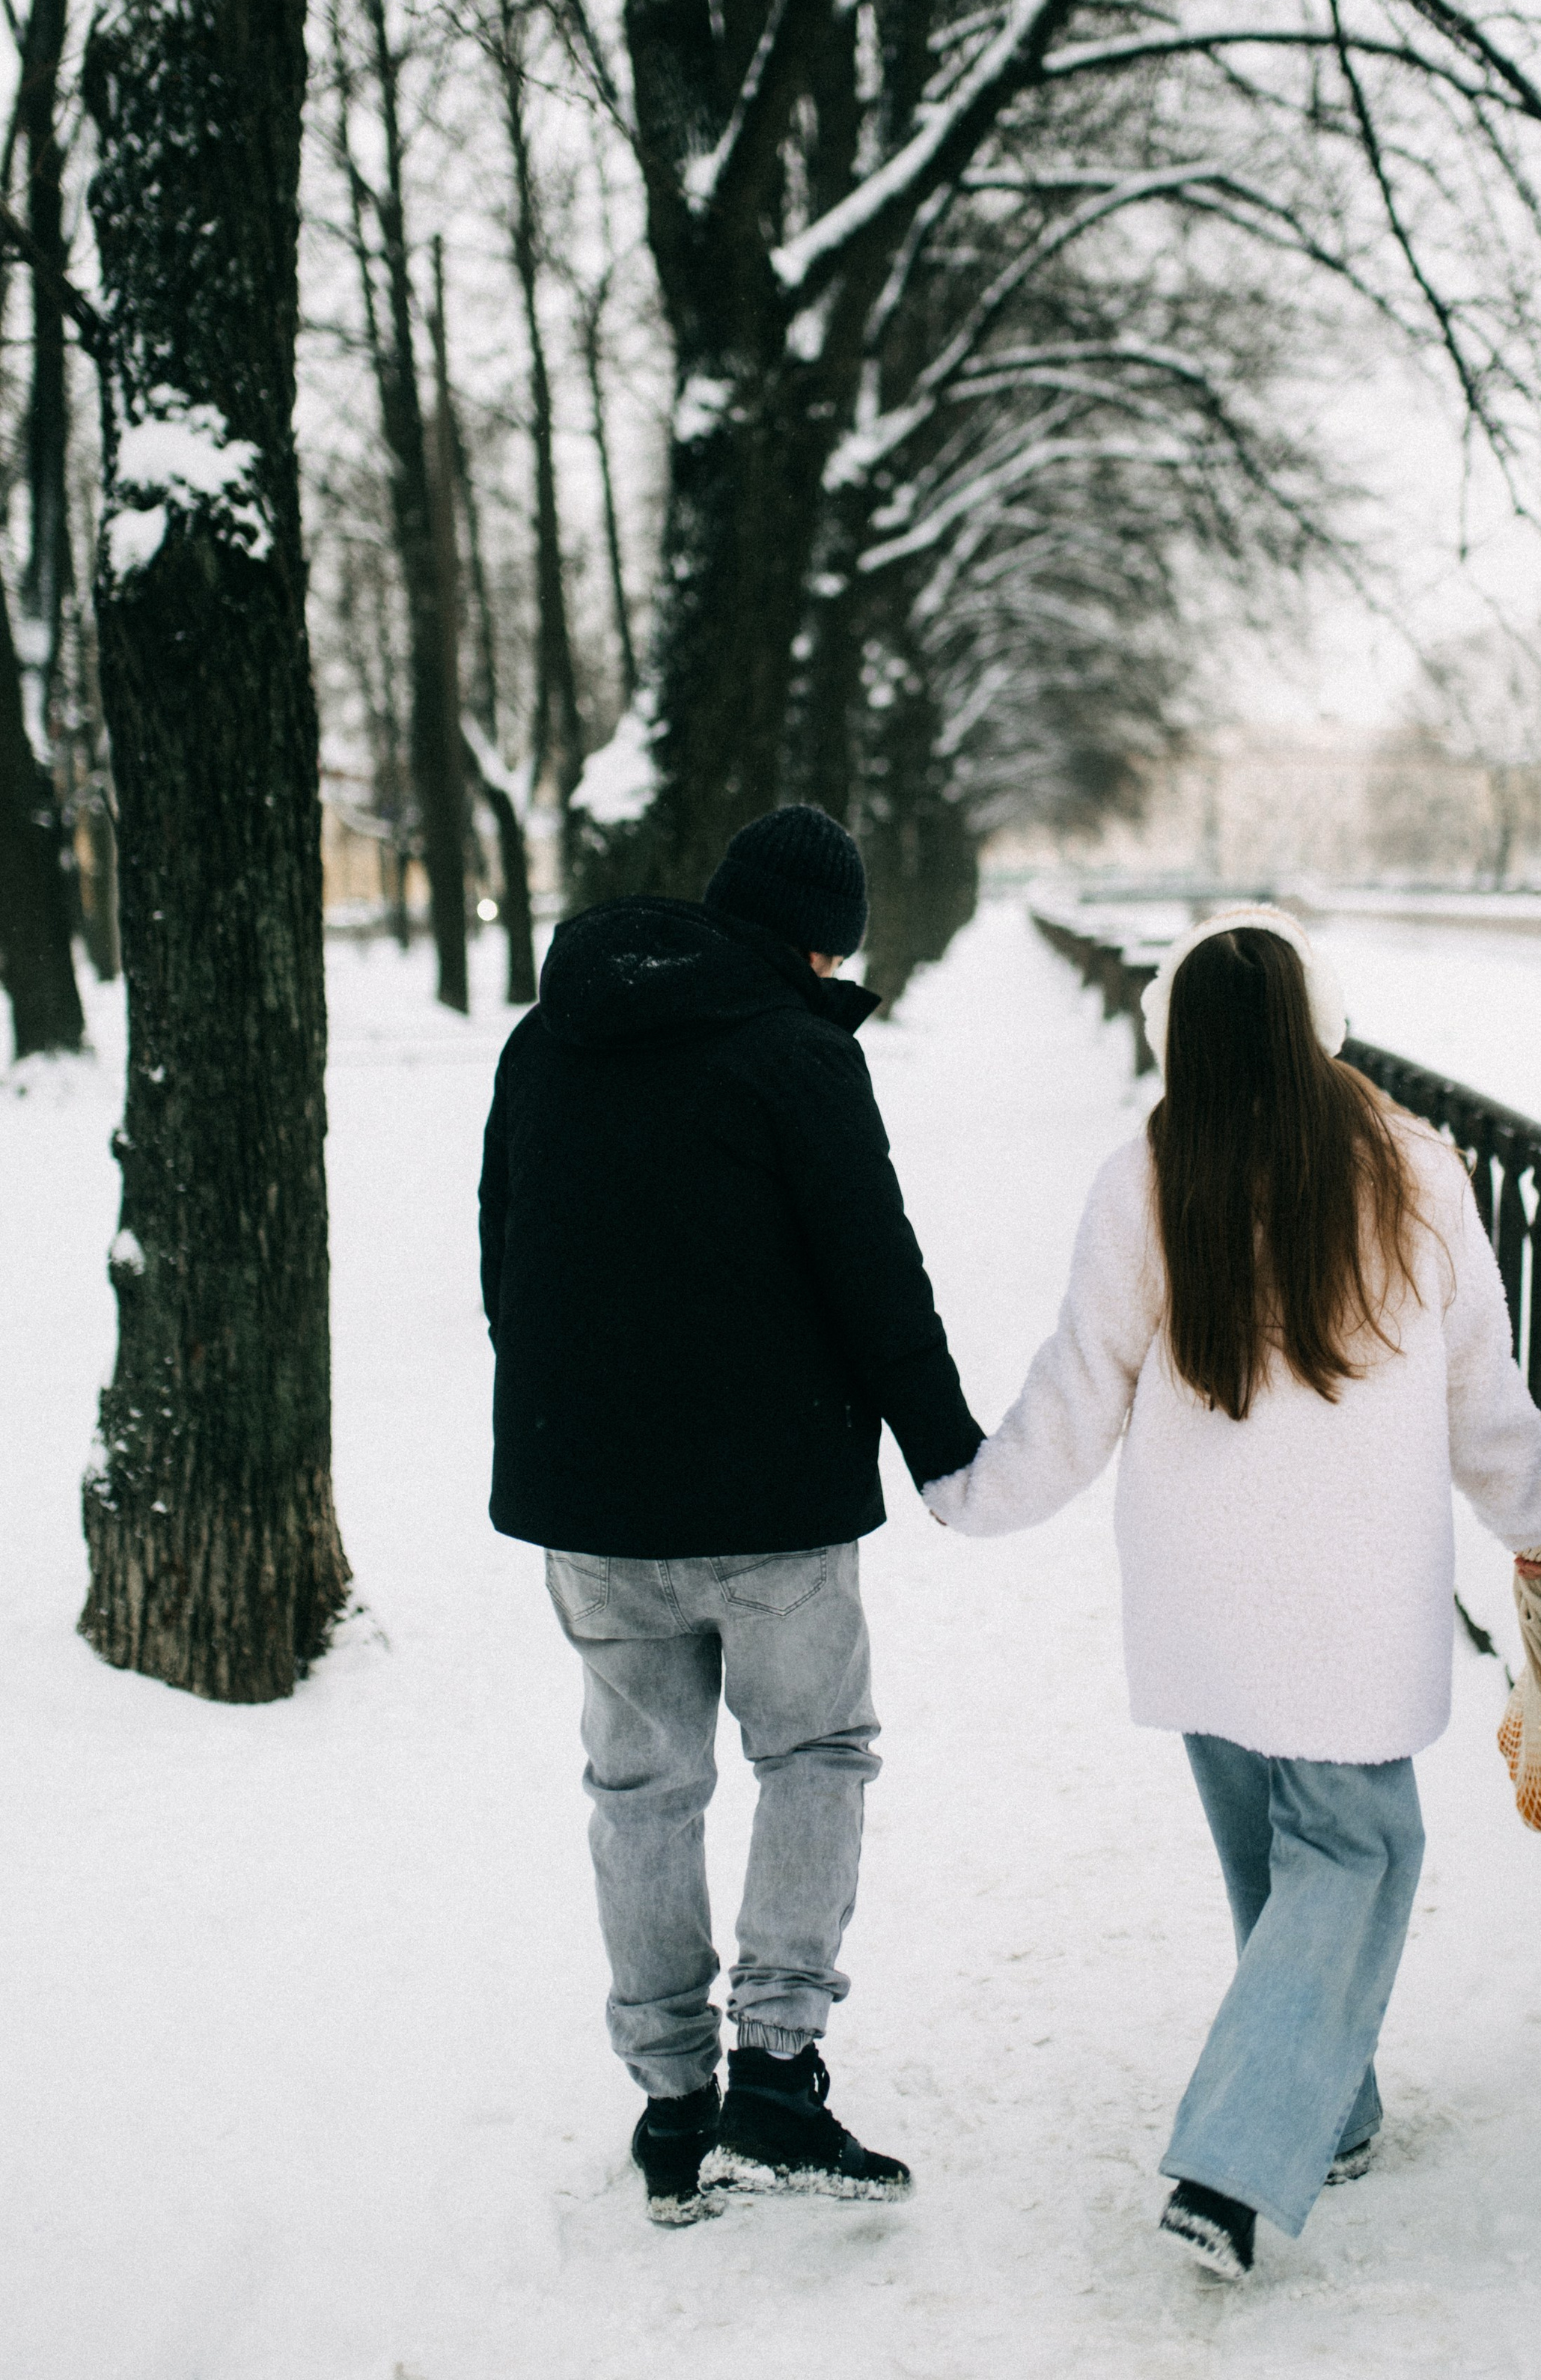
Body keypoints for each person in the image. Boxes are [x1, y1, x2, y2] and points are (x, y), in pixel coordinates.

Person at [924, 904, 1541, 2280]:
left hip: (1200, 1598)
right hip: (1349, 1597)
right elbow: (1477, 1379)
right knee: (1359, 1853)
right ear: (1313, 1023)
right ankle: (1232, 2162)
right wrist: (1533, 1515)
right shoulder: (1411, 1168)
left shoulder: (1150, 1172)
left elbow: (1079, 1384)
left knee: (1281, 1868)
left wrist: (974, 1492)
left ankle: (1330, 2110)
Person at [480, 805, 983, 2223]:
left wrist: (573, 1423)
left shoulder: (547, 1037)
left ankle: (667, 2103)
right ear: (821, 939)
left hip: (591, 1509)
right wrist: (947, 1452)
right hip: (772, 1502)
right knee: (814, 1751)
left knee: (642, 1788)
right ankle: (773, 2072)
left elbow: (503, 1252)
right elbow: (874, 1272)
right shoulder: (800, 1054)